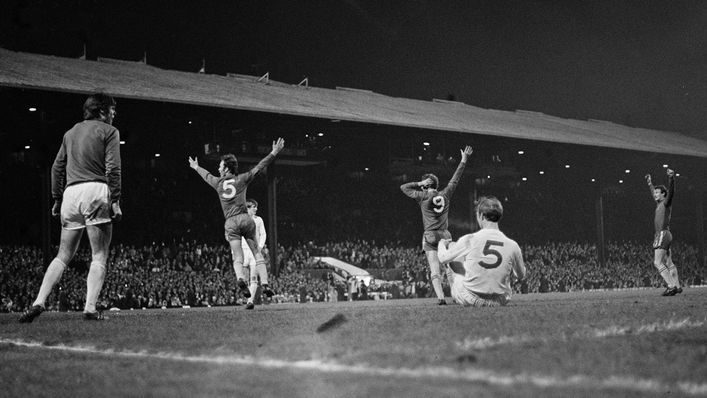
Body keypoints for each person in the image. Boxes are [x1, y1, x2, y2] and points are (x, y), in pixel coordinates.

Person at [19, 93, 122, 323]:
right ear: (101, 111)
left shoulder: (70, 133)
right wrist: (115, 200)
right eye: (112, 109)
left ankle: (38, 301)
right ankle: (90, 308)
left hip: (71, 194)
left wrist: (56, 199)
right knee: (99, 255)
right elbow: (113, 168)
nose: (115, 114)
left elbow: (57, 167)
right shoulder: (109, 131)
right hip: (96, 190)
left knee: (63, 255)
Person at [189, 138, 284, 309]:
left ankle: (241, 278)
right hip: (245, 219)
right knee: (257, 254)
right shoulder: (242, 179)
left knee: (238, 257)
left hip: (230, 223)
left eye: (220, 165)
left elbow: (206, 176)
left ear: (226, 168)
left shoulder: (218, 183)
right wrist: (274, 152)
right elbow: (260, 166)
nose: (218, 167)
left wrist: (196, 167)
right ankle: (265, 284)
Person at [401, 145, 473, 305]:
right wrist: (463, 161)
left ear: (426, 185)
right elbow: (456, 179)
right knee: (450, 268)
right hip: (445, 235)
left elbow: (403, 187)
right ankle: (456, 296)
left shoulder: (422, 196)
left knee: (435, 269)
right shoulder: (446, 194)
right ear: (436, 184)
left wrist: (419, 183)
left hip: (430, 235)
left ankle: (441, 298)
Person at [437, 196, 525, 307]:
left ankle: (457, 287)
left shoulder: (470, 239)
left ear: (481, 215)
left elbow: (442, 258)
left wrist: (441, 244)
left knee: (453, 246)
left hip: (470, 298)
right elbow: (521, 275)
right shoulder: (513, 245)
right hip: (501, 300)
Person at [645, 168, 682, 296]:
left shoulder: (666, 203)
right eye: (654, 192)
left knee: (657, 262)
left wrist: (671, 179)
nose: (655, 194)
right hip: (665, 233)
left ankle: (671, 286)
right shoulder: (659, 204)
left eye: (657, 192)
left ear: (663, 194)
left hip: (662, 233)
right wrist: (650, 184)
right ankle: (677, 286)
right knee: (668, 262)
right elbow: (653, 193)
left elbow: (671, 192)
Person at [239, 198, 275, 309]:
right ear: (248, 207)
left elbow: (263, 234)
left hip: (254, 251)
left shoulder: (258, 220)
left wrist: (259, 246)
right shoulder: (241, 220)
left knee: (253, 278)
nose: (256, 209)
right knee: (244, 278)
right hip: (244, 251)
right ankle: (247, 296)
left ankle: (250, 302)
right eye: (254, 207)